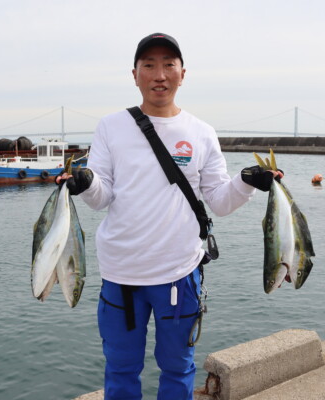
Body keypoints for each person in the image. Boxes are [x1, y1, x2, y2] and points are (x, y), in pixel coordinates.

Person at [58, 32, 283, 400]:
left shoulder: (202, 133)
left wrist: (247, 182)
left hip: (179, 274)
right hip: (120, 274)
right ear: (135, 75)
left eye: (168, 65)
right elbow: (102, 198)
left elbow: (220, 202)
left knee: (178, 367)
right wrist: (85, 183)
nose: (158, 74)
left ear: (182, 74)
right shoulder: (110, 127)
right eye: (149, 65)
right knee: (120, 368)